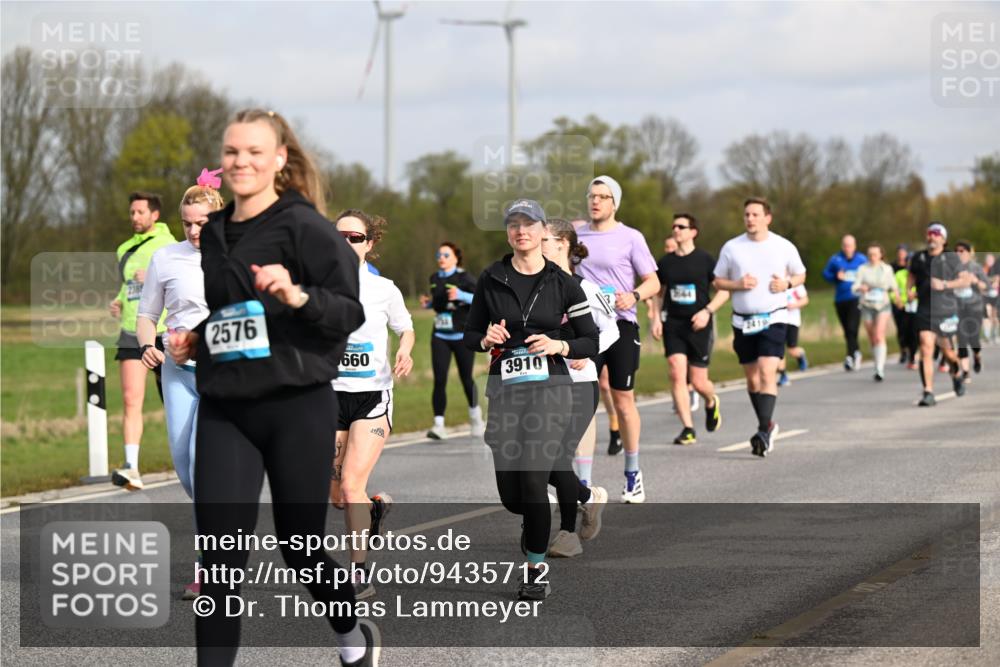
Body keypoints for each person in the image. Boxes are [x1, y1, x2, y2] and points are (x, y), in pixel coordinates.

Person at [167, 109, 380, 666]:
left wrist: (296, 296)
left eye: (255, 152)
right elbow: (234, 313)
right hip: (227, 407)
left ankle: (350, 634)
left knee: (300, 547)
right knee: (219, 561)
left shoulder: (306, 228)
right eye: (233, 151)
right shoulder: (213, 234)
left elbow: (348, 311)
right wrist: (200, 336)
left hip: (296, 404)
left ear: (279, 160)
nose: (242, 161)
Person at [464, 199, 598, 599]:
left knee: (535, 479)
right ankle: (535, 521)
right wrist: (485, 338)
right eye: (514, 224)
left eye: (529, 224)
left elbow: (588, 340)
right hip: (505, 391)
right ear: (508, 232)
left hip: (551, 390)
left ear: (543, 231)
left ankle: (535, 570)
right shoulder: (492, 278)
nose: (521, 231)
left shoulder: (563, 282)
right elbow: (470, 334)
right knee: (513, 496)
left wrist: (559, 345)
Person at [136, 171, 224, 600]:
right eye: (188, 222)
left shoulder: (238, 257)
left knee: (201, 467)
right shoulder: (165, 258)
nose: (193, 231)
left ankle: (210, 567)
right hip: (176, 374)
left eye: (202, 223)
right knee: (184, 469)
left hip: (223, 375)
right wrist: (146, 346)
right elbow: (146, 314)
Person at [330, 209, 414, 600]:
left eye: (355, 238)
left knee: (350, 486)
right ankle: (374, 509)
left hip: (372, 396)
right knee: (336, 496)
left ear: (370, 243)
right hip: (328, 397)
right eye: (339, 237)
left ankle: (358, 572)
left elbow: (406, 327)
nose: (347, 244)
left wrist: (406, 351)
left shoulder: (385, 290)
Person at [574, 176, 660, 502]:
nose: (595, 201)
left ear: (615, 203)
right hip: (586, 328)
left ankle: (632, 473)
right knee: (584, 401)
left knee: (623, 400)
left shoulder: (630, 238)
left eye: (603, 196)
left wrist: (634, 295)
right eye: (592, 195)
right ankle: (583, 482)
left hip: (621, 324)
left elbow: (653, 281)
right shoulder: (575, 237)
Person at [539, 218, 614, 558]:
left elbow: (609, 332)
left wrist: (586, 351)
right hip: (538, 384)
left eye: (544, 239)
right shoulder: (532, 290)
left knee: (557, 457)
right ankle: (587, 497)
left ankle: (567, 534)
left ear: (563, 244)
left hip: (579, 384)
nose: (535, 244)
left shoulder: (585, 288)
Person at [713, 197, 807, 458]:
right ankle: (767, 424)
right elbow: (718, 281)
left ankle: (763, 433)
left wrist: (787, 284)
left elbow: (801, 274)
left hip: (774, 318)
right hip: (742, 320)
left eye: (755, 214)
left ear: (768, 217)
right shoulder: (732, 247)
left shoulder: (783, 246)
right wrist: (738, 285)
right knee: (752, 378)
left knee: (767, 371)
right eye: (746, 215)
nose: (750, 219)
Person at [108, 191, 177, 490]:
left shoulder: (169, 246)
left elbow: (179, 279)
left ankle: (190, 457)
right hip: (130, 329)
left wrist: (150, 273)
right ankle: (131, 467)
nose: (134, 217)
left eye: (140, 212)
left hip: (163, 330)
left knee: (173, 401)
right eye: (132, 212)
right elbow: (128, 286)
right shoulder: (123, 248)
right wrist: (119, 301)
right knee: (130, 398)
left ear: (154, 215)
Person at [649, 214, 727, 445]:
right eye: (674, 226)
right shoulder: (665, 262)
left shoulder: (705, 260)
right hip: (674, 324)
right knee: (676, 372)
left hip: (699, 325)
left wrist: (707, 312)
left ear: (693, 232)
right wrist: (655, 318)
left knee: (699, 381)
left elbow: (723, 291)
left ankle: (711, 401)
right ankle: (688, 428)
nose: (676, 230)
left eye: (681, 226)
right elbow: (657, 291)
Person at [418, 243, 483, 439]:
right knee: (439, 380)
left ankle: (476, 418)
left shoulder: (465, 278)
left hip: (462, 336)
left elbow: (481, 298)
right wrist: (428, 303)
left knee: (466, 378)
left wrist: (461, 294)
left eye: (446, 254)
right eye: (439, 254)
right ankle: (439, 425)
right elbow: (438, 302)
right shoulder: (434, 278)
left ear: (456, 258)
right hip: (440, 334)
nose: (441, 257)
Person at [907, 222, 969, 406]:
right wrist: (909, 290)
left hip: (946, 310)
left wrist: (944, 285)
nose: (931, 237)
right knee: (926, 347)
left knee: (948, 352)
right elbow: (911, 276)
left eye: (936, 233)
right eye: (929, 233)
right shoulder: (918, 257)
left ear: (943, 239)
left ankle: (956, 373)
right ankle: (928, 392)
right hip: (925, 309)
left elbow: (964, 281)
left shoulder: (951, 258)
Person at [852, 243, 901, 382]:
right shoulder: (862, 269)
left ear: (881, 255)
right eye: (870, 254)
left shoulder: (887, 269)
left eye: (875, 254)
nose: (872, 257)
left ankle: (880, 369)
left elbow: (894, 287)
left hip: (883, 305)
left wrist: (897, 298)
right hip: (867, 305)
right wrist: (861, 288)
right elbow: (854, 287)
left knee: (879, 335)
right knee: (872, 337)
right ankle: (876, 363)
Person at [822, 234, 866, 371]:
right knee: (847, 330)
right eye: (845, 245)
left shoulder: (862, 260)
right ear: (842, 246)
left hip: (856, 298)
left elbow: (869, 274)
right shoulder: (835, 259)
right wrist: (835, 276)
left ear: (855, 246)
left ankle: (850, 356)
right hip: (840, 299)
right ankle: (856, 351)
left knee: (853, 327)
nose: (848, 248)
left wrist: (865, 285)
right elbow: (825, 274)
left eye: (850, 245)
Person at [954, 241, 989, 379]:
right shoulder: (952, 268)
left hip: (974, 307)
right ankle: (966, 371)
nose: (958, 253)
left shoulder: (976, 267)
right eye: (956, 250)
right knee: (961, 339)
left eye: (962, 250)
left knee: (974, 339)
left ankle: (977, 356)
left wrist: (975, 281)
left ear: (969, 252)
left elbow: (986, 286)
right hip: (957, 306)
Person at [776, 282, 809, 387]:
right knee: (779, 348)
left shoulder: (795, 282)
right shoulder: (775, 282)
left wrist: (794, 305)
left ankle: (800, 355)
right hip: (778, 320)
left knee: (792, 350)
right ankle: (783, 375)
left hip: (792, 320)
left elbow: (805, 300)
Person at [891, 245, 917, 367]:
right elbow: (892, 289)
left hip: (916, 307)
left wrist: (916, 296)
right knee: (903, 331)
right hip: (901, 306)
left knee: (914, 331)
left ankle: (912, 356)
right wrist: (897, 300)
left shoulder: (920, 275)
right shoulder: (900, 274)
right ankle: (904, 350)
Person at [984, 253, 1000, 345]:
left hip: (995, 295)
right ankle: (988, 336)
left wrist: (993, 280)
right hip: (986, 295)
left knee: (994, 316)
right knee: (987, 315)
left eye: (991, 259)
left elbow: (997, 280)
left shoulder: (996, 268)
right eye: (988, 259)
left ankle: (995, 334)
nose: (989, 261)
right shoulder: (983, 269)